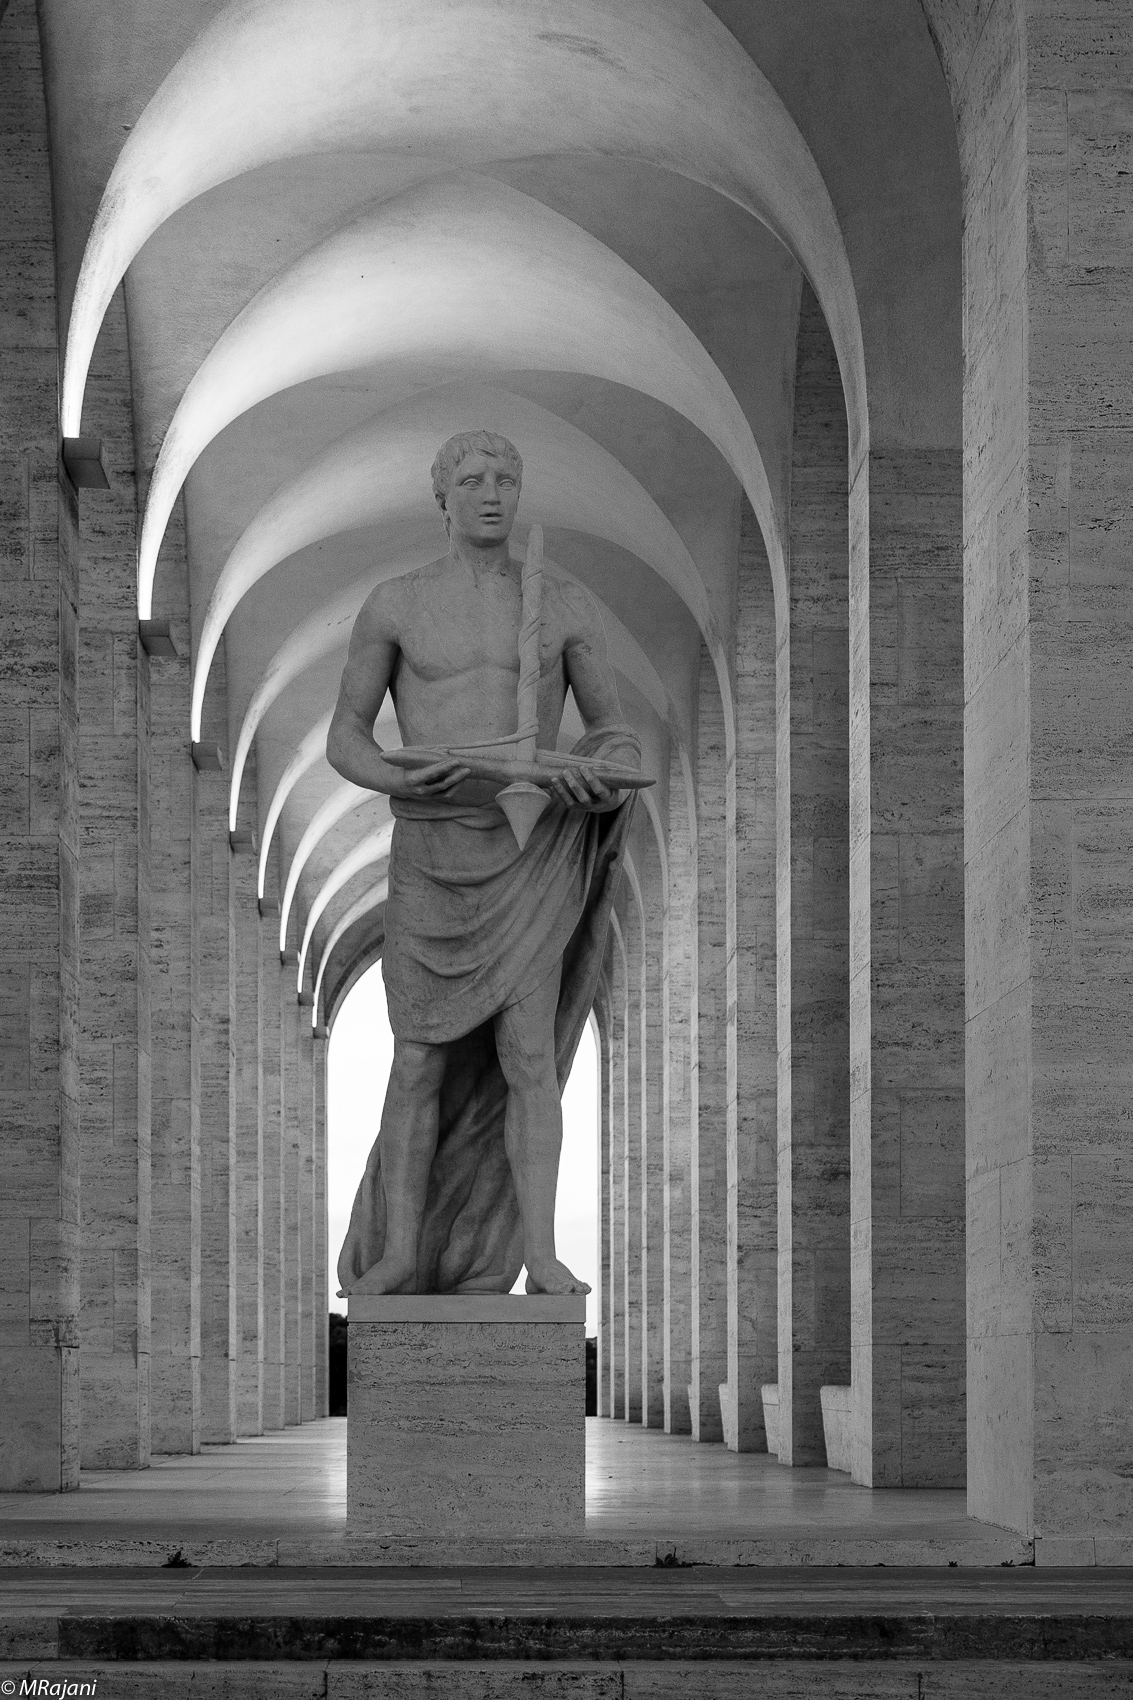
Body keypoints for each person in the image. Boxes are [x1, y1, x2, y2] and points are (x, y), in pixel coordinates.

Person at [328, 430, 640, 1296]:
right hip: (431, 847)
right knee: (418, 1060)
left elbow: (614, 731)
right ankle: (399, 1251)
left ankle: (537, 1253)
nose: (491, 494)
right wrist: (398, 772)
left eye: (506, 477)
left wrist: (593, 773)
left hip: (523, 852)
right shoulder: (395, 604)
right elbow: (344, 735)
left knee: (527, 1057)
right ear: (443, 495)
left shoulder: (563, 604)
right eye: (472, 480)